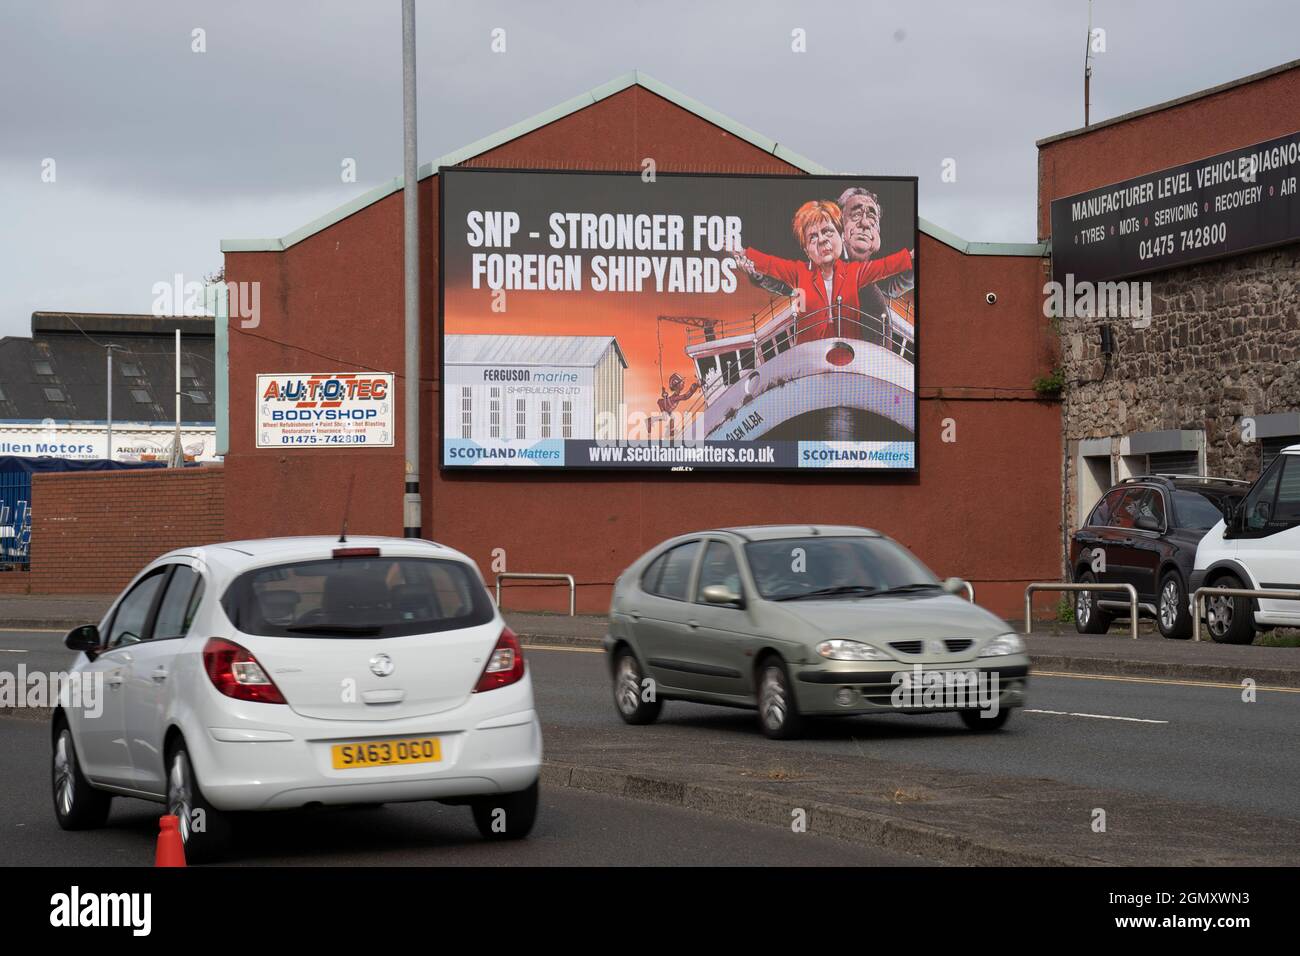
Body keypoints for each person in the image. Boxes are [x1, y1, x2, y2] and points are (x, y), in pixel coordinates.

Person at [729, 200, 912, 344]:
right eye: (813, 237)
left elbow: (886, 266)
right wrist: (744, 253)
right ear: (806, 250)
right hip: (809, 359)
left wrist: (910, 257)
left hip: (851, 357)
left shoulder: (856, 272)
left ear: (841, 236)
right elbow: (771, 263)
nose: (822, 240)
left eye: (828, 231)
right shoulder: (798, 272)